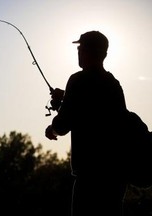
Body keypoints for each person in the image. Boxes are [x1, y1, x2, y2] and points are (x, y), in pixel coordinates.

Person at [45, 31, 128, 216]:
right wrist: (65, 100)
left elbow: (63, 124)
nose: (78, 52)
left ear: (90, 51)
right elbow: (94, 112)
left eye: (81, 48)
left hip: (90, 177)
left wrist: (52, 130)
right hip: (115, 176)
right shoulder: (113, 84)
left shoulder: (78, 80)